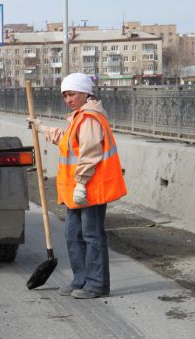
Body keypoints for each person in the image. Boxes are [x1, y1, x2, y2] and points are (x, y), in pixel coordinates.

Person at [28, 72, 127, 299]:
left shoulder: (90, 118)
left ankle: (96, 284)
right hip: (78, 190)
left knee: (92, 235)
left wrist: (81, 183)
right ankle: (80, 279)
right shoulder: (77, 117)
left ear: (85, 93)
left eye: (72, 94)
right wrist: (42, 128)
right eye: (65, 95)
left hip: (90, 188)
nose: (68, 99)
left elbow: (90, 152)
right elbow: (67, 141)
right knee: (73, 234)